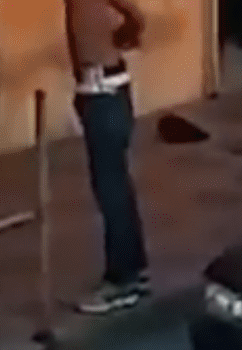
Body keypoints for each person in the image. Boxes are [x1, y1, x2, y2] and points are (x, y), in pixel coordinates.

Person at [64, 0, 151, 314]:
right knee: (116, 187)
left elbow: (134, 13)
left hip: (104, 93)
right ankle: (134, 270)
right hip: (100, 90)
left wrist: (133, 23)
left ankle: (122, 280)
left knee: (111, 189)